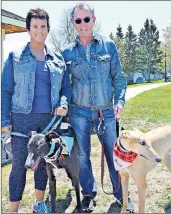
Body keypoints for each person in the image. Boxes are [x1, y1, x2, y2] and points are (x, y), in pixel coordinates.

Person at [62, 2, 134, 212]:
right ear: (73, 23)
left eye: (86, 19)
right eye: (78, 20)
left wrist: (119, 101)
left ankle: (121, 195)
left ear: (93, 20)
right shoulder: (66, 52)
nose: (83, 24)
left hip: (106, 111)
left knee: (114, 155)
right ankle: (88, 194)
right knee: (83, 155)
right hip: (79, 112)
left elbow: (119, 78)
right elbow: (64, 85)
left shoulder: (109, 46)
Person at [1, 8, 71, 213]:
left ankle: (39, 203)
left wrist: (64, 104)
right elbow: (5, 90)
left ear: (48, 28)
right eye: (35, 26)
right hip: (22, 119)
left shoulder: (57, 59)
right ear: (28, 29)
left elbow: (66, 87)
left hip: (48, 120)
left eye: (43, 26)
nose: (39, 30)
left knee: (42, 165)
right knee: (18, 167)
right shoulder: (15, 58)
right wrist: (4, 120)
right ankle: (13, 210)